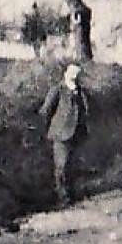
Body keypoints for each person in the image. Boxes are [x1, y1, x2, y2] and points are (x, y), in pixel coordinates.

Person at [38, 63, 89, 205]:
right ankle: (62, 196)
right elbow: (45, 110)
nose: (74, 75)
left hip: (77, 132)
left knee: (73, 164)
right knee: (62, 165)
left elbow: (84, 110)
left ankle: (72, 193)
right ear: (66, 73)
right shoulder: (58, 89)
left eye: (77, 73)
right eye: (72, 72)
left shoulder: (80, 90)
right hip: (61, 133)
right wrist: (53, 127)